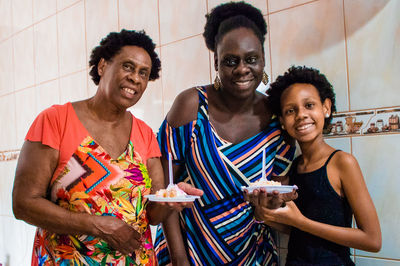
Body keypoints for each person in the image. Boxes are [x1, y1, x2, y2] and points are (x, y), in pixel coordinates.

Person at [12, 29, 202, 265]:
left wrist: (173, 200)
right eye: (128, 67)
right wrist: (99, 226)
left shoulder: (144, 134)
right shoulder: (56, 120)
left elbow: (152, 214)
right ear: (102, 66)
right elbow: (24, 204)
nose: (136, 78)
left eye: (144, 73)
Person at [153, 2, 296, 265]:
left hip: (253, 254)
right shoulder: (191, 106)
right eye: (231, 61)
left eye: (251, 59)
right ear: (217, 62)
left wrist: (271, 205)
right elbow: (165, 187)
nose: (242, 69)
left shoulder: (278, 120)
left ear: (263, 58)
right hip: (189, 251)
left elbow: (280, 202)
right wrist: (179, 259)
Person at [257, 66, 382, 265]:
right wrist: (267, 216)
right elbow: (298, 230)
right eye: (290, 110)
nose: (300, 115)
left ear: (326, 108)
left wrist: (301, 222)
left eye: (309, 105)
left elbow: (373, 240)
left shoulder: (343, 163)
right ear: (282, 120)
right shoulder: (294, 167)